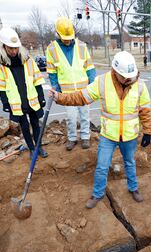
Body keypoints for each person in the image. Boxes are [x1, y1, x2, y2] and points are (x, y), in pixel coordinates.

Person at [49, 51, 151, 209]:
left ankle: (133, 188)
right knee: (102, 165)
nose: (128, 79)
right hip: (108, 135)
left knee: (130, 163)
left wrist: (148, 131)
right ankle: (97, 194)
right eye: (124, 76)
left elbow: (145, 109)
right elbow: (81, 97)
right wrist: (59, 97)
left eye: (130, 76)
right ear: (115, 72)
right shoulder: (102, 82)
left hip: (129, 135)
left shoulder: (139, 84)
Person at [0, 27, 48, 159]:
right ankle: (32, 148)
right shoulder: (0, 63)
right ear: (3, 47)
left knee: (36, 124)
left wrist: (41, 97)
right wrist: (5, 103)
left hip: (31, 99)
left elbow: (37, 79)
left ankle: (39, 146)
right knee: (25, 127)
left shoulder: (27, 59)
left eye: (16, 48)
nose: (13, 51)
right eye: (10, 48)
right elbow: (1, 86)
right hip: (17, 102)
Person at [46, 17, 96, 151]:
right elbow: (52, 73)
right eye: (65, 38)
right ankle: (72, 138)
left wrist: (93, 84)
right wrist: (56, 90)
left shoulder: (81, 46)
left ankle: (85, 137)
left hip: (83, 90)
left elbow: (89, 67)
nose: (68, 40)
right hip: (67, 92)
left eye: (69, 37)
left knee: (85, 115)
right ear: (58, 34)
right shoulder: (51, 49)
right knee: (71, 118)